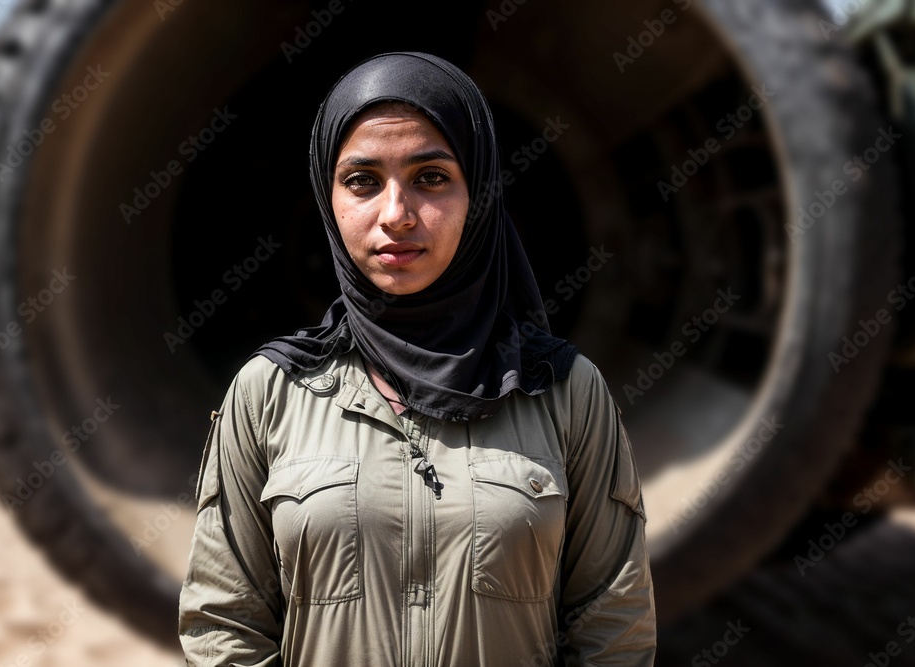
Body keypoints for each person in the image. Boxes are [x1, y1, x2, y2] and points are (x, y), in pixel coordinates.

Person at [178, 51, 655, 666]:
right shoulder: (270, 391)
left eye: (430, 177)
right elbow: (224, 625)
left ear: (478, 193)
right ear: (329, 200)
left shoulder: (564, 390)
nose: (396, 215)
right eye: (362, 181)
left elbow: (613, 631)